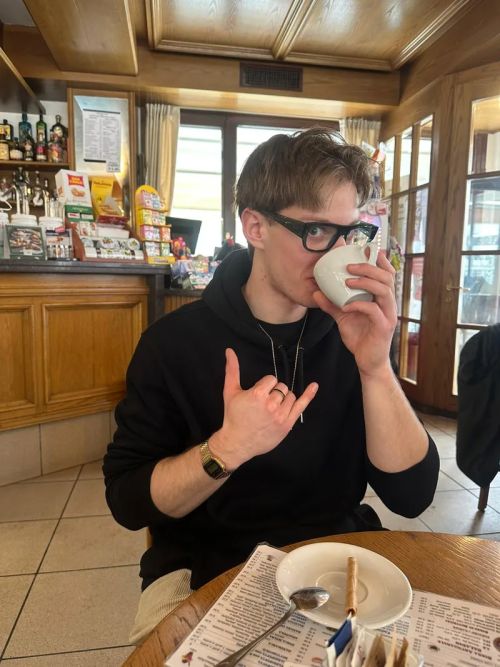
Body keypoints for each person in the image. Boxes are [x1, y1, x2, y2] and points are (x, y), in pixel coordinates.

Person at [103, 128, 439, 643]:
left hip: (337, 557)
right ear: (255, 227)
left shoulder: (354, 333)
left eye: (350, 233)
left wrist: (375, 367)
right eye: (317, 231)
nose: (339, 254)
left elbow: (412, 496)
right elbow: (128, 503)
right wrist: (226, 449)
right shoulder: (172, 344)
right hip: (208, 563)